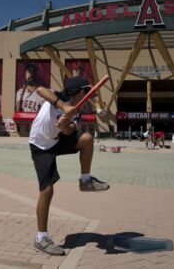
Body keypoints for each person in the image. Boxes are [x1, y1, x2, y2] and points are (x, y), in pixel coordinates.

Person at [29, 76, 110, 256]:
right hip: (40, 146)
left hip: (57, 140)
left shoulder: (78, 112)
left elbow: (68, 130)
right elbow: (40, 89)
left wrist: (65, 123)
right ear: (81, 92)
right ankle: (41, 238)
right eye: (88, 92)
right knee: (47, 191)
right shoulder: (57, 96)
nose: (89, 96)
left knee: (87, 139)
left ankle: (85, 180)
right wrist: (64, 107)